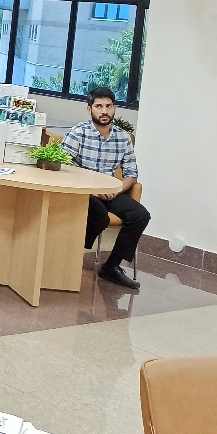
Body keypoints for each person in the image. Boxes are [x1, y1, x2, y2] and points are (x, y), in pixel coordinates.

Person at [61, 87, 149, 291]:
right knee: (100, 216)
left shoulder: (123, 138)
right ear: (89, 109)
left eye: (108, 106)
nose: (104, 111)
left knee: (140, 215)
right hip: (83, 191)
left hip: (111, 191)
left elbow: (131, 174)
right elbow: (63, 167)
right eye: (99, 106)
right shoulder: (78, 133)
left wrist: (116, 189)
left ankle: (111, 267)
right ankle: (70, 255)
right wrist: (92, 191)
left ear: (114, 108)